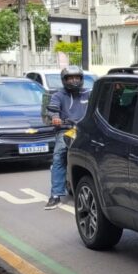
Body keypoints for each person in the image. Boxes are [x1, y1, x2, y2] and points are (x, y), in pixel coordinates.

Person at [46, 66, 91, 210]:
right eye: (70, 78)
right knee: (59, 156)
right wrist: (55, 117)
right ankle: (55, 195)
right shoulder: (59, 95)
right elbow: (52, 110)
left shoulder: (89, 93)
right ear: (64, 80)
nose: (74, 80)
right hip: (67, 130)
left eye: (77, 77)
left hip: (86, 130)